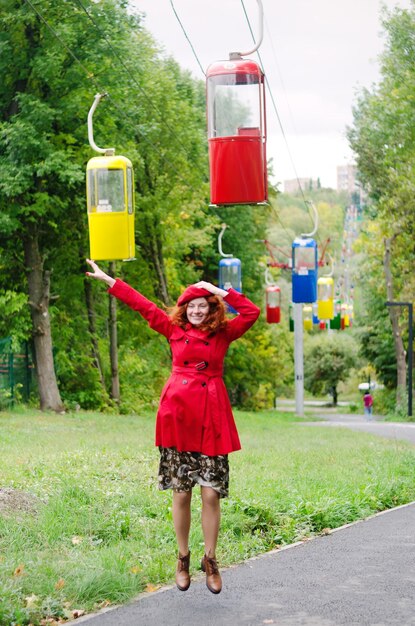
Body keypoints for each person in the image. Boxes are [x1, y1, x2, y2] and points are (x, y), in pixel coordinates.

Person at [85, 259, 260, 594]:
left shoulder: (224, 333)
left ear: (211, 309)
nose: (196, 310)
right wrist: (110, 281)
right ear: (184, 310)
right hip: (178, 417)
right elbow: (143, 306)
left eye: (202, 305)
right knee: (181, 493)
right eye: (191, 305)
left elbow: (251, 313)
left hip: (211, 417)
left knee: (211, 494)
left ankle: (210, 561)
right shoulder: (173, 329)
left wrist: (220, 291)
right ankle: (182, 558)